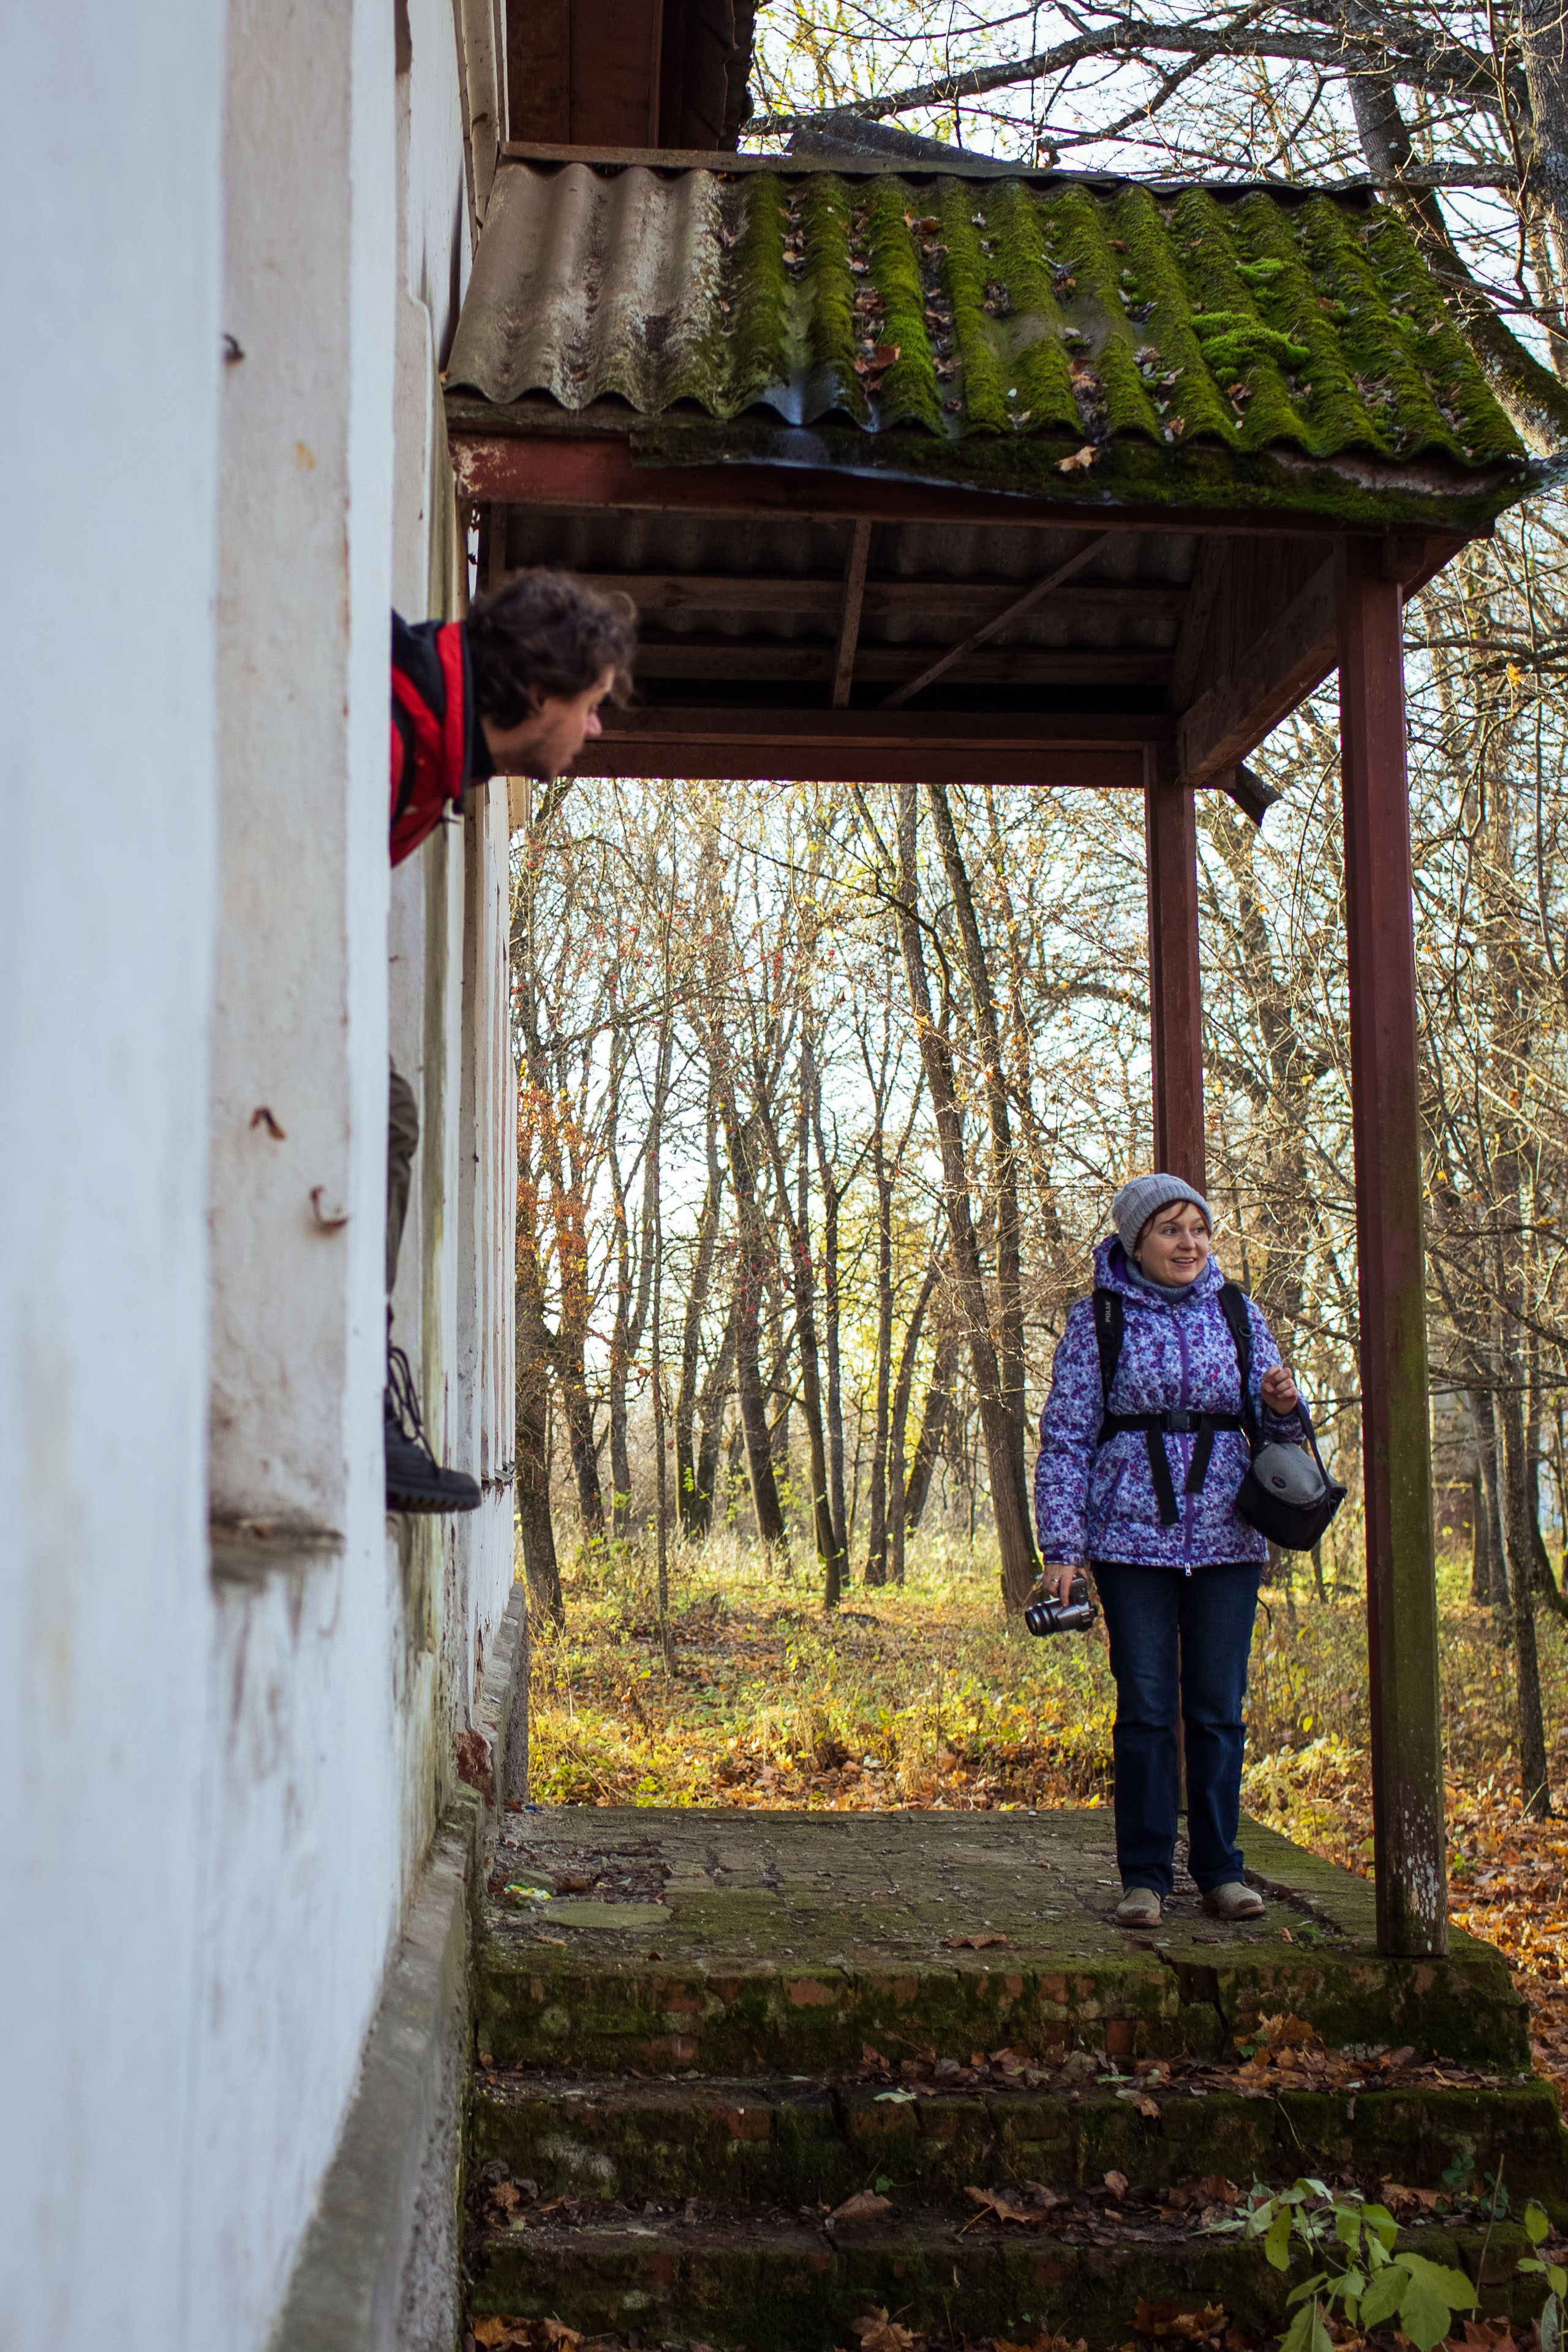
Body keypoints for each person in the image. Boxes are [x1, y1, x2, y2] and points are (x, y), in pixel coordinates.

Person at [383, 567, 637, 1512]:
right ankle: (351, 1404)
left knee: (384, 1111)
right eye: (592, 704)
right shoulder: (387, 722)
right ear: (538, 694)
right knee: (383, 1113)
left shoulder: (430, 733)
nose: (597, 729)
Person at [1033, 1174, 1302, 1927]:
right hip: (1128, 1539)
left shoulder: (1236, 1311)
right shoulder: (1097, 1322)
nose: (1189, 1243)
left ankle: (1221, 1871)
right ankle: (1144, 1878)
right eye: (1171, 1230)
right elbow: (1065, 1440)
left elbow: (1281, 1440)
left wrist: (1284, 1408)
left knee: (1217, 1709)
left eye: (1198, 1229)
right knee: (1148, 1708)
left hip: (1227, 1541)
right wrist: (1063, 1546)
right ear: (1135, 1242)